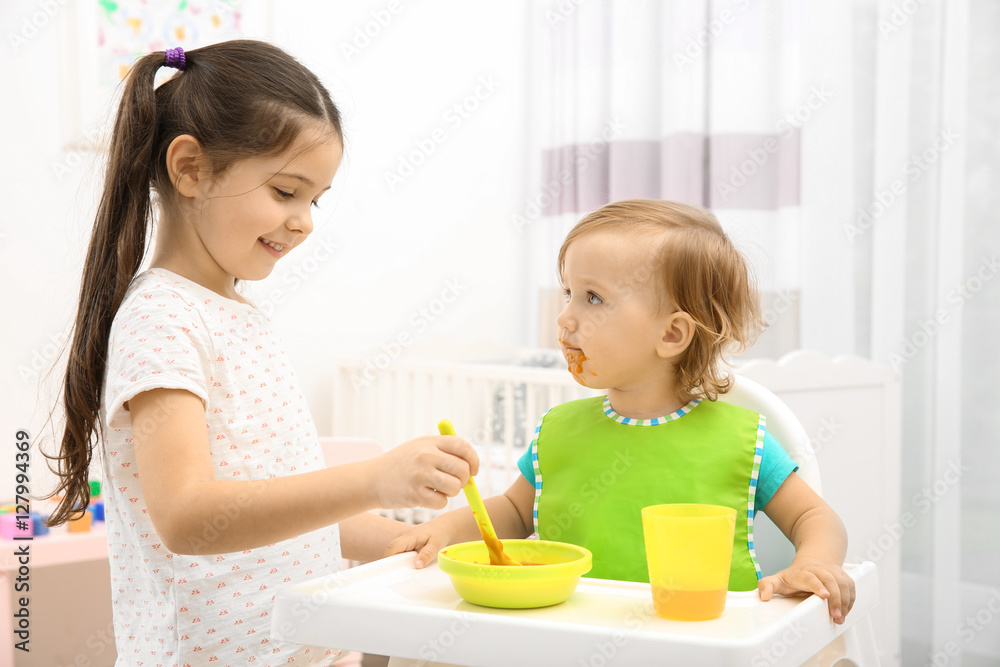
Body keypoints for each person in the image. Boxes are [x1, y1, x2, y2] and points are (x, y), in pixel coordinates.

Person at [44, 41, 479, 666]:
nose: (304, 221)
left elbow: (275, 505)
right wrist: (373, 479)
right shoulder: (162, 317)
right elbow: (188, 517)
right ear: (190, 169)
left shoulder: (240, 316)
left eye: (315, 200)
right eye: (285, 191)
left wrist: (398, 539)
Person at [386, 199, 856, 623]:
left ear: (672, 334)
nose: (565, 316)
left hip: (702, 645)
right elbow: (512, 511)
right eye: (567, 292)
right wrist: (446, 527)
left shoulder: (743, 439)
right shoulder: (559, 429)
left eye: (593, 298)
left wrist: (814, 564)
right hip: (569, 639)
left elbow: (814, 518)